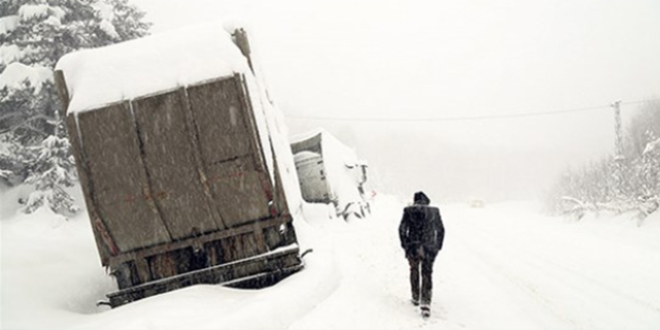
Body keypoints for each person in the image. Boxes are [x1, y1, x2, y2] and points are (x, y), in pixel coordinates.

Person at [398, 191, 445, 318]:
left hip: (413, 247)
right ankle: (425, 303)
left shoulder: (408, 211)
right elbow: (440, 230)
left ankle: (415, 297)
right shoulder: (434, 212)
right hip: (429, 248)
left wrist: (405, 245)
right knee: (427, 273)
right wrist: (438, 246)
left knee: (414, 270)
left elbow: (402, 229)